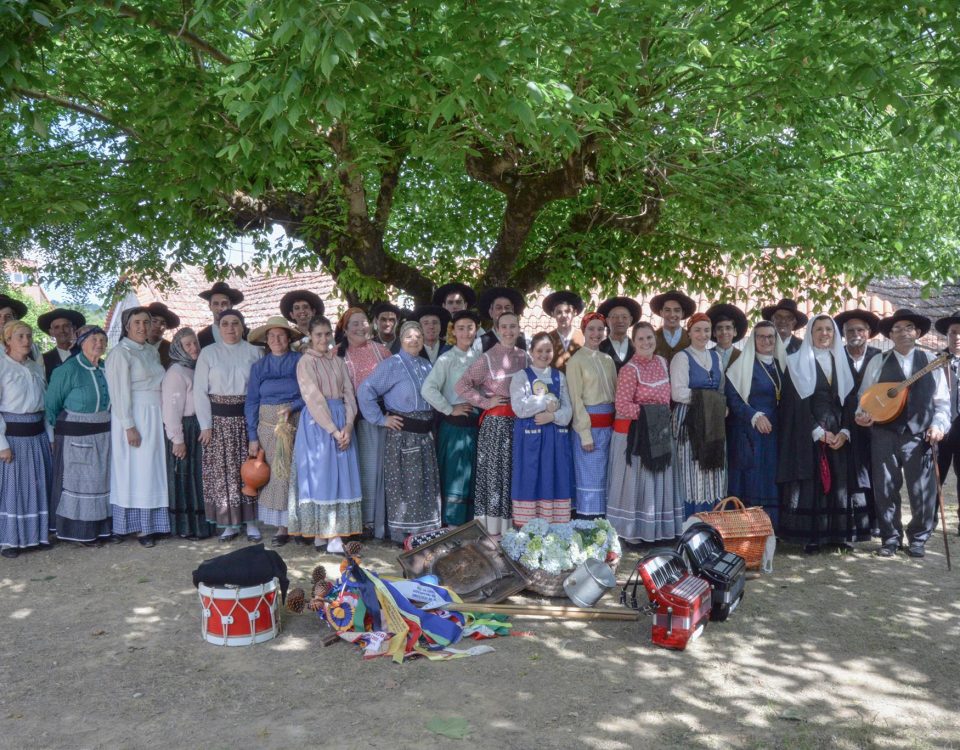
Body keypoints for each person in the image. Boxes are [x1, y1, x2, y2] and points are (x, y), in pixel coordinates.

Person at [855, 309, 949, 558]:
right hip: (884, 433)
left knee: (921, 489)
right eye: (897, 329)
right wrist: (862, 414)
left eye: (908, 327)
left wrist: (938, 425)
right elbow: (865, 398)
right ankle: (890, 538)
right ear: (891, 335)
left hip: (919, 435)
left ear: (917, 333)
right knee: (885, 488)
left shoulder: (931, 361)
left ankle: (918, 538)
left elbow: (942, 403)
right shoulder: (879, 361)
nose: (903, 332)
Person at [778, 315, 871, 552]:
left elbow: (850, 401)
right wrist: (818, 432)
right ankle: (813, 537)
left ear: (834, 333)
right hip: (810, 433)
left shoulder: (842, 361)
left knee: (840, 481)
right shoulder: (795, 362)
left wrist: (846, 431)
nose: (824, 333)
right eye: (818, 329)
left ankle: (838, 535)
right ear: (810, 333)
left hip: (839, 432)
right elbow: (794, 406)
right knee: (814, 483)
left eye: (828, 329)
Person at [358, 321, 442, 544]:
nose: (414, 340)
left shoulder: (426, 364)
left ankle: (425, 530)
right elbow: (366, 390)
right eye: (408, 337)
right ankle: (401, 534)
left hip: (425, 435)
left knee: (424, 484)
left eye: (418, 336)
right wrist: (381, 419)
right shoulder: (392, 364)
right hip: (402, 435)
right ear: (401, 340)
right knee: (405, 486)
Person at [456, 311, 530, 534]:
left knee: (515, 472)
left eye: (513, 326)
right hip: (496, 424)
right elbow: (461, 386)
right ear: (497, 330)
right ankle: (493, 526)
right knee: (495, 473)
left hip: (520, 422)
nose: (509, 331)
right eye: (504, 327)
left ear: (519, 329)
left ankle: (516, 522)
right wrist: (485, 402)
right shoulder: (488, 358)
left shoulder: (525, 357)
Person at [607, 321, 681, 542]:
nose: (646, 342)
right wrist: (651, 414)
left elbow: (668, 399)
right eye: (640, 339)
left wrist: (661, 417)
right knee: (638, 482)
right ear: (634, 342)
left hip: (659, 433)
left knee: (656, 480)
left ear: (655, 340)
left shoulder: (662, 362)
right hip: (636, 435)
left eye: (649, 338)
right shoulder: (630, 370)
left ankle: (656, 529)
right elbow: (621, 405)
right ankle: (634, 533)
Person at [294, 315, 362, 553]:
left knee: (341, 476)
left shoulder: (338, 362)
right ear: (311, 337)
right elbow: (312, 397)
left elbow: (349, 395)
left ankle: (327, 535)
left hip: (342, 420)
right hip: (319, 423)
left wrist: (349, 425)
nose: (323, 339)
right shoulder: (306, 362)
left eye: (326, 334)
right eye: (318, 335)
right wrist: (333, 430)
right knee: (322, 475)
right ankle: (328, 535)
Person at [194, 309, 263, 542]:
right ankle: (229, 524)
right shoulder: (208, 353)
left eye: (235, 323)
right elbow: (200, 392)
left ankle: (252, 522)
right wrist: (206, 425)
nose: (230, 328)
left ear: (243, 327)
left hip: (246, 420)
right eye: (225, 324)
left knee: (250, 471)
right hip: (219, 422)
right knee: (223, 473)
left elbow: (259, 391)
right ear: (218, 327)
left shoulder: (255, 352)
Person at [104, 307, 170, 547]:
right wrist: (129, 425)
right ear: (127, 326)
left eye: (146, 322)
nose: (142, 327)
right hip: (134, 415)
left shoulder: (150, 352)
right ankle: (138, 527)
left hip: (154, 412)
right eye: (137, 323)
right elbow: (119, 393)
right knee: (137, 470)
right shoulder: (120, 353)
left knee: (152, 469)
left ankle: (153, 524)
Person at [45, 325, 113, 546]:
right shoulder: (68, 370)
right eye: (93, 339)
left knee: (100, 481)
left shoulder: (106, 368)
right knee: (81, 483)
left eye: (102, 339)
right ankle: (79, 532)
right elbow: (51, 407)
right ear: (81, 342)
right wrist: (59, 433)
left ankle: (101, 529)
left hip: (102, 433)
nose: (99, 344)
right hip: (75, 435)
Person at [245, 316, 304, 546]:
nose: (276, 339)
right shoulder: (259, 367)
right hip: (268, 428)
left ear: (288, 338)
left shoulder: (300, 361)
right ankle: (281, 527)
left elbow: (308, 392)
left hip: (295, 422)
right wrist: (252, 436)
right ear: (266, 341)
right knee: (277, 475)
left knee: (296, 472)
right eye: (272, 336)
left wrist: (293, 407)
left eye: (281, 335)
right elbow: (251, 401)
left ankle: (298, 525)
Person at [421, 309, 482, 526]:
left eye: (470, 328)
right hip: (454, 428)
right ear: (453, 331)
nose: (466, 332)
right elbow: (428, 389)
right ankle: (452, 525)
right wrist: (449, 408)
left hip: (475, 427)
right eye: (461, 328)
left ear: (476, 330)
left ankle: (469, 524)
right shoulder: (447, 359)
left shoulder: (480, 359)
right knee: (454, 474)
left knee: (471, 473)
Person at [338, 307, 392, 539]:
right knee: (358, 470)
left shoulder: (382, 351)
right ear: (345, 329)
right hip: (351, 418)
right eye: (355, 324)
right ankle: (360, 521)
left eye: (364, 323)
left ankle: (377, 522)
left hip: (380, 417)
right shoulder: (336, 354)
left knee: (378, 469)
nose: (361, 328)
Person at [0, 321, 53, 558]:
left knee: (38, 485)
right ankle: (10, 541)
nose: (26, 341)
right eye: (20, 336)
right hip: (13, 437)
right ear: (7, 340)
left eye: (29, 336)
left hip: (37, 435)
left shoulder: (35, 366)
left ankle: (37, 536)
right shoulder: (2, 366)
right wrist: (2, 444)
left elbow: (45, 407)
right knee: (14, 490)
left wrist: (49, 437)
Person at [510, 332, 574, 526]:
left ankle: (555, 526)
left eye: (548, 350)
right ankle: (529, 527)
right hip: (530, 438)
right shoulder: (521, 377)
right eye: (539, 350)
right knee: (530, 477)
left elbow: (568, 409)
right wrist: (547, 401)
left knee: (554, 475)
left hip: (554, 438)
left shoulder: (558, 376)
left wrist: (552, 416)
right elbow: (520, 408)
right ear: (531, 352)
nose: (544, 355)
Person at [724, 322, 783, 530]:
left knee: (772, 479)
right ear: (753, 340)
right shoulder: (742, 365)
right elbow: (732, 398)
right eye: (762, 337)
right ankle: (749, 530)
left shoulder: (781, 365)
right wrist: (754, 416)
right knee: (752, 479)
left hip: (776, 433)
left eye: (771, 337)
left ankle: (771, 528)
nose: (767, 341)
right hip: (751, 433)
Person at [671, 312, 727, 517]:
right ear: (689, 332)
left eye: (706, 330)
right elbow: (677, 392)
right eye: (697, 330)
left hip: (712, 420)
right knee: (692, 469)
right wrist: (709, 400)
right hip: (690, 420)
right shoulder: (681, 357)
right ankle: (691, 518)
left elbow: (721, 389)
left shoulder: (716, 357)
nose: (703, 335)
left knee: (713, 469)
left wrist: (720, 405)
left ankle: (712, 519)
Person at [161, 327, 215, 539]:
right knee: (185, 477)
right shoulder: (176, 372)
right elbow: (171, 408)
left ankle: (203, 525)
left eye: (195, 343)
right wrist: (177, 439)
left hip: (197, 426)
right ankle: (188, 527)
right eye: (188, 344)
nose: (194, 348)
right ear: (178, 348)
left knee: (200, 477)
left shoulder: (195, 368)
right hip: (184, 428)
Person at [835, 308, 883, 537]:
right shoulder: (835, 357)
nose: (855, 333)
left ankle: (872, 522)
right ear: (843, 333)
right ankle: (848, 525)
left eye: (860, 330)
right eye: (850, 330)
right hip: (842, 423)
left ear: (869, 333)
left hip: (871, 424)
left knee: (871, 472)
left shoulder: (880, 358)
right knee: (845, 474)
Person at [565, 312, 616, 519]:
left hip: (610, 427)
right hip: (589, 426)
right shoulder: (576, 360)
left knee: (606, 476)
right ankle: (588, 522)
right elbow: (576, 399)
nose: (596, 333)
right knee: (591, 477)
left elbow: (615, 393)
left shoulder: (607, 359)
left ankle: (606, 523)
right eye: (591, 329)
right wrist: (585, 433)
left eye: (600, 329)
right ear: (584, 331)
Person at [935, 309, 960, 535]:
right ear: (947, 335)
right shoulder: (935, 361)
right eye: (953, 333)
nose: (957, 337)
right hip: (942, 428)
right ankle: (930, 517)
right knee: (936, 475)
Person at [38, 307, 85, 381]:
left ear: (73, 328)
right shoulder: (43, 360)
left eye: (66, 326)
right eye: (57, 327)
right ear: (51, 332)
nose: (62, 330)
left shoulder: (85, 354)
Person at [542, 290, 584, 372]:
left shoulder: (584, 338)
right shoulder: (546, 339)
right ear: (553, 314)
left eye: (567, 311)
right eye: (559, 312)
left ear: (574, 312)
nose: (563, 316)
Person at [598, 297, 641, 372]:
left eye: (624, 317)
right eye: (615, 317)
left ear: (630, 320)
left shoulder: (638, 348)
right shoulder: (598, 349)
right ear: (607, 321)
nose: (620, 320)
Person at [478, 287, 528, 352]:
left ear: (513, 311)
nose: (504, 311)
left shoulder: (526, 341)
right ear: (491, 312)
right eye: (499, 308)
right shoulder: (480, 344)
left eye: (507, 308)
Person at [196, 281, 244, 349]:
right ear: (210, 307)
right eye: (216, 304)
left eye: (224, 303)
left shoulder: (245, 334)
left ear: (231, 305)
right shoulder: (202, 337)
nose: (220, 308)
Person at [652, 290, 696, 363]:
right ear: (661, 312)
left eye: (677, 310)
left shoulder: (691, 338)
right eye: (667, 310)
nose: (672, 315)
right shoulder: (652, 338)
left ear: (682, 313)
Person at [706, 303, 747, 371]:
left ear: (735, 332)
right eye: (719, 328)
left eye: (728, 328)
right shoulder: (705, 355)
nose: (724, 332)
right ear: (714, 333)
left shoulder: (742, 357)